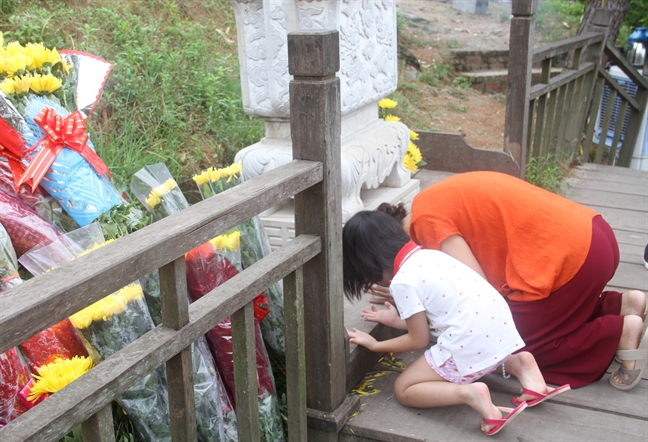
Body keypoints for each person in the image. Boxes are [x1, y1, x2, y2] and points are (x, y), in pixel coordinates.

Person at [369, 171, 646, 390]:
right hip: (595, 235)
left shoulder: (424, 225)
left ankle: (617, 331)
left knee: (503, 345)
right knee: (552, 316)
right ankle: (621, 305)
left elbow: (476, 287)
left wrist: (415, 298)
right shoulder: (428, 200)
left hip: (572, 260)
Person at [343, 210, 570, 436]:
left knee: (404, 389)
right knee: (476, 348)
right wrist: (395, 319)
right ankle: (521, 364)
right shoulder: (431, 255)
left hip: (469, 340)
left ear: (368, 260)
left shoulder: (402, 281)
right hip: (499, 327)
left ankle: (470, 394)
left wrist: (375, 345)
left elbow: (418, 339)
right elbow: (438, 319)